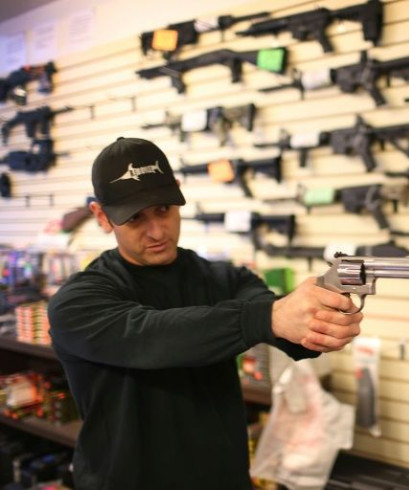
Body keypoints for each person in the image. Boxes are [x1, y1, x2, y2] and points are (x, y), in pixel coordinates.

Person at [47, 137, 362, 490]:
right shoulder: (77, 303)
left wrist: (320, 318)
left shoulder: (224, 278)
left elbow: (287, 329)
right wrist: (266, 317)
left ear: (178, 194)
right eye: (135, 218)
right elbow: (153, 335)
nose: (155, 231)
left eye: (163, 210)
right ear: (102, 216)